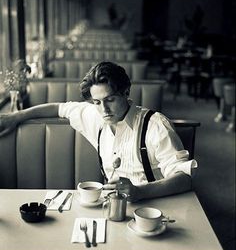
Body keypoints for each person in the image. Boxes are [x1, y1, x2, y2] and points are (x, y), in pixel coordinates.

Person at [0, 61, 197, 202]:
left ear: (126, 93)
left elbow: (184, 179)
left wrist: (140, 192)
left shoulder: (156, 125)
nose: (104, 109)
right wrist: (17, 116)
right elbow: (58, 108)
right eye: (97, 102)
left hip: (157, 207)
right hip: (112, 206)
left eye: (110, 100)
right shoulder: (93, 115)